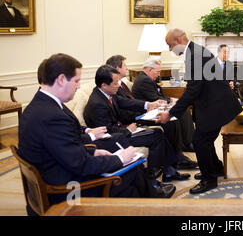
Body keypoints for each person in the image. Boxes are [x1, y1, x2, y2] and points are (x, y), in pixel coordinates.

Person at [18, 54, 173, 215]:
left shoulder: (41, 106)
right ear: (61, 79)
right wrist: (119, 158)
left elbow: (64, 147)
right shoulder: (52, 116)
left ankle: (151, 200)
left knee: (131, 168)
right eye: (76, 81)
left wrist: (94, 151)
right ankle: (152, 202)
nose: (78, 86)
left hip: (57, 173)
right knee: (131, 173)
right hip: (66, 190)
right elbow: (81, 164)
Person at [156, 28, 242, 194]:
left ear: (178, 41)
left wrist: (171, 113)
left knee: (200, 141)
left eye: (169, 45)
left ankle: (209, 180)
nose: (169, 49)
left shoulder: (195, 55)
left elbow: (193, 90)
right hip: (215, 104)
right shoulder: (194, 51)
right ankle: (216, 169)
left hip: (216, 106)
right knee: (205, 140)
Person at [83, 65, 189, 184]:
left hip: (121, 130)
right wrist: (128, 130)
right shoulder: (97, 104)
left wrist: (148, 105)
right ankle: (152, 179)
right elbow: (107, 131)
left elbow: (126, 102)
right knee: (156, 135)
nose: (118, 85)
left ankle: (169, 170)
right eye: (115, 83)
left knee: (159, 132)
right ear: (104, 85)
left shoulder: (106, 93)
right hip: (115, 138)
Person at [129, 57, 198, 170]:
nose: (158, 74)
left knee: (181, 110)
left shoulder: (145, 78)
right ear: (150, 70)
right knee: (174, 118)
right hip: (146, 114)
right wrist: (171, 101)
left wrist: (170, 99)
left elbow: (158, 97)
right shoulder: (143, 80)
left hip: (153, 109)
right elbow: (155, 98)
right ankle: (180, 153)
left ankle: (186, 144)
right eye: (157, 72)